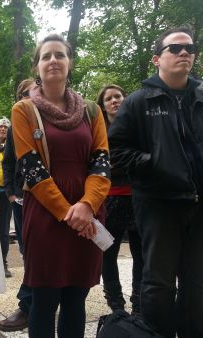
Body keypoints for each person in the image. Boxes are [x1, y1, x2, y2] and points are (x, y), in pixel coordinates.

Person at [11, 34, 110, 337]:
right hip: (45, 214)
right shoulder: (24, 110)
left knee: (76, 300)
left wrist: (86, 206)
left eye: (60, 55)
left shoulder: (92, 110)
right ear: (37, 67)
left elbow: (102, 162)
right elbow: (32, 169)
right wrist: (70, 213)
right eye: (46, 56)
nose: (53, 60)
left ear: (70, 63)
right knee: (43, 299)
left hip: (89, 212)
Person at [108, 26, 203, 338]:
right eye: (175, 49)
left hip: (197, 205)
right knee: (158, 281)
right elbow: (116, 151)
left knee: (196, 281)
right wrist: (154, 164)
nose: (184, 53)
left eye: (190, 48)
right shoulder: (137, 103)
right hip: (158, 205)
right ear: (156, 59)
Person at [96, 85, 144, 314]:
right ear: (102, 105)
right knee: (108, 253)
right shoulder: (98, 130)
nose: (115, 101)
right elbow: (97, 165)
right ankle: (116, 304)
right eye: (109, 98)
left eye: (118, 96)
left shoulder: (138, 127)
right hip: (110, 200)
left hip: (137, 198)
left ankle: (139, 302)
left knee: (141, 253)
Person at [0, 79, 34, 332]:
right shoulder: (14, 126)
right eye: (23, 94)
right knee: (29, 251)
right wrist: (11, 194)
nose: (28, 97)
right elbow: (8, 161)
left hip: (58, 199)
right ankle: (28, 304)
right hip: (23, 199)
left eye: (33, 92)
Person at [0, 116, 13, 278]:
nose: (2, 129)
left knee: (4, 230)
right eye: (0, 127)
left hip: (5, 192)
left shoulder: (12, 146)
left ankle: (3, 262)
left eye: (5, 127)